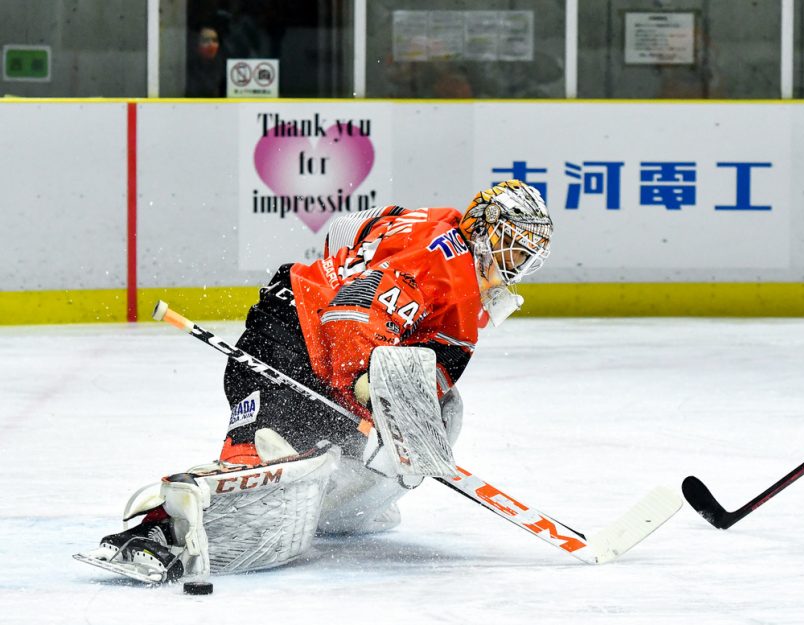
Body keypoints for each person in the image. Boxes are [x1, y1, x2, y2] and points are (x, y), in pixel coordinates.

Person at [76, 180, 553, 582]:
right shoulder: (444, 263)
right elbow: (351, 311)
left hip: (318, 346)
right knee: (261, 453)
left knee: (405, 429)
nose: (519, 265)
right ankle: (150, 533)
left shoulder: (433, 226)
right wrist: (364, 381)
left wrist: (374, 399)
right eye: (516, 247)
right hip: (288, 342)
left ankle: (344, 509)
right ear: (487, 228)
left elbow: (350, 230)